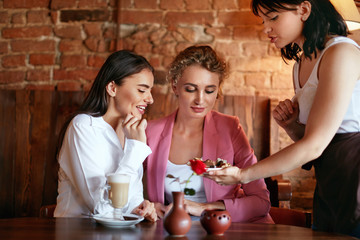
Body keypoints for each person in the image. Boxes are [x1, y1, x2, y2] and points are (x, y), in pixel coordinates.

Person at [206, 0, 360, 236]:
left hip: (355, 178)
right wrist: (291, 126)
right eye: (263, 21)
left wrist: (243, 175)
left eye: (273, 18)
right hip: (330, 183)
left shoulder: (341, 52)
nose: (266, 28)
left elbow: (315, 145)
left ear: (304, 10)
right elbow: (313, 140)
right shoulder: (299, 65)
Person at [145, 45, 274, 223]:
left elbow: (261, 202)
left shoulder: (231, 128)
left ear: (218, 90)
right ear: (175, 86)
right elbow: (127, 187)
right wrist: (149, 205)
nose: (200, 99)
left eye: (209, 90)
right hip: (171, 229)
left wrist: (203, 208)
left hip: (224, 229)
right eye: (190, 89)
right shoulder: (150, 132)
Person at [54, 50, 157, 221]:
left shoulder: (130, 133)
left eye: (150, 91)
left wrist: (140, 207)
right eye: (141, 90)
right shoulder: (83, 127)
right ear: (112, 88)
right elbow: (100, 209)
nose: (150, 99)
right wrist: (136, 150)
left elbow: (127, 202)